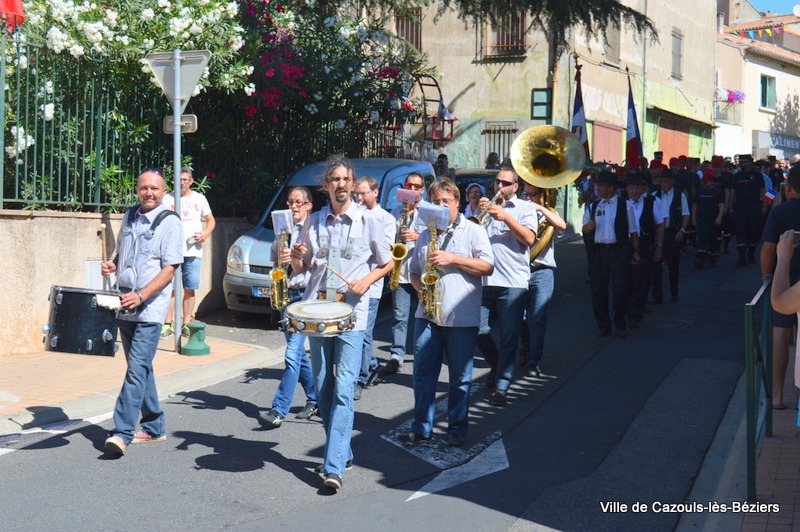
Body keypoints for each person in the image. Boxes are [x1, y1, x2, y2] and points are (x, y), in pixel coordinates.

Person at [290, 155, 392, 490]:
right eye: (334, 179)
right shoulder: (315, 220)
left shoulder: (368, 221)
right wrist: (296, 257)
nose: (341, 184)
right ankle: (342, 450)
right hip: (318, 314)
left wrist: (367, 281)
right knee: (324, 387)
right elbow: (302, 269)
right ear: (326, 186)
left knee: (345, 389)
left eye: (346, 179)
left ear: (352, 184)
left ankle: (333, 467)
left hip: (353, 315)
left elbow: (386, 262)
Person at [401, 178, 494, 447]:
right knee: (423, 373)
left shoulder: (473, 230)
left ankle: (457, 428)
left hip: (461, 314)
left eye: (446, 201)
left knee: (460, 377)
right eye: (437, 201)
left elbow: (487, 266)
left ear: (457, 203)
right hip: (428, 313)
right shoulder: (428, 232)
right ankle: (421, 428)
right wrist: (419, 289)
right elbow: (414, 272)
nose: (441, 206)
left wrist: (453, 259)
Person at [100, 168, 183, 456]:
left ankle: (122, 432)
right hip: (125, 304)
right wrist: (113, 264)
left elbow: (170, 268)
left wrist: (142, 295)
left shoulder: (170, 222)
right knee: (141, 368)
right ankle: (154, 426)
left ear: (163, 193)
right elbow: (123, 254)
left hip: (149, 309)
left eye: (155, 189)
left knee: (136, 369)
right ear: (137, 189)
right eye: (144, 188)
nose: (149, 193)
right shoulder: (129, 216)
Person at [258, 187, 319, 427]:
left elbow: (319, 263)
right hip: (286, 293)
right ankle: (315, 399)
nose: (294, 206)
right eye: (291, 202)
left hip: (305, 296)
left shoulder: (313, 230)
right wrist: (280, 261)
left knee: (292, 354)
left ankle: (278, 410)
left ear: (308, 206)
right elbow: (274, 262)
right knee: (299, 358)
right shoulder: (281, 229)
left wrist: (300, 258)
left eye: (299, 202)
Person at [476, 168, 537, 406]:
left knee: (510, 335)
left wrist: (507, 218)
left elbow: (529, 239)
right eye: (496, 182)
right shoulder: (484, 208)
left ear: (515, 187)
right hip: (485, 280)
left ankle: (502, 384)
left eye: (505, 183)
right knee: (478, 330)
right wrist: (479, 213)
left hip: (512, 282)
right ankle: (497, 364)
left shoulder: (525, 208)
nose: (499, 186)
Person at [582, 171, 640, 338]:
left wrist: (635, 251)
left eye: (602, 186)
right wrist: (588, 228)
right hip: (599, 251)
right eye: (598, 186)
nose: (599, 189)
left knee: (620, 288)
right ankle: (603, 325)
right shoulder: (594, 206)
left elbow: (633, 231)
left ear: (612, 188)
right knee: (598, 290)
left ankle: (620, 321)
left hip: (619, 250)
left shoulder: (625, 205)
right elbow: (584, 228)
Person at [760, 166, 800, 409]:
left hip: (785, 284)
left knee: (781, 337)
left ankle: (776, 395)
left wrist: (766, 278)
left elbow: (767, 250)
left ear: (788, 187)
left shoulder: (781, 211)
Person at [353, 176, 396, 400]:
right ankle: (371, 364)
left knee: (364, 333)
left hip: (371, 284)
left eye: (363, 193)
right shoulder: (352, 215)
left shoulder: (386, 219)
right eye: (356, 194)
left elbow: (385, 251)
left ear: (375, 192)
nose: (359, 198)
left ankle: (361, 378)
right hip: (350, 284)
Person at [161, 166, 216, 338]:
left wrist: (205, 233)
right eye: (179, 179)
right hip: (171, 252)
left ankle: (185, 324)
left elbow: (211, 220)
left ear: (191, 181)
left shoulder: (199, 199)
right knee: (170, 288)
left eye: (185, 179)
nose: (182, 182)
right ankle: (167, 324)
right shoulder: (166, 199)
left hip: (192, 251)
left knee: (189, 289)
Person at [519, 183, 566, 375]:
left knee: (537, 317)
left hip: (543, 271)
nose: (528, 198)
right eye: (526, 194)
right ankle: (526, 348)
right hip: (519, 272)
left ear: (541, 196)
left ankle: (534, 360)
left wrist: (540, 209)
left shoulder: (547, 213)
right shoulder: (518, 213)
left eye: (533, 195)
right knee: (520, 318)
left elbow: (562, 225)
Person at [383, 172, 428, 375]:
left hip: (421, 272)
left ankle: (423, 354)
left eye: (416, 187)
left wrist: (418, 236)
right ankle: (396, 356)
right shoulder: (395, 211)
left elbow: (438, 238)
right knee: (400, 317)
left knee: (424, 316)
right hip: (401, 273)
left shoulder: (428, 211)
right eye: (409, 186)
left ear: (423, 190)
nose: (412, 190)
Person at [624, 172, 664, 329]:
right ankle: (626, 309)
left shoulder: (652, 202)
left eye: (637, 188)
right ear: (626, 189)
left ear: (643, 189)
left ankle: (635, 314)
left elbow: (660, 224)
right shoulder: (621, 204)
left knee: (641, 281)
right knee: (625, 280)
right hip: (625, 247)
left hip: (645, 246)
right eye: (631, 187)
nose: (634, 191)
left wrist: (659, 247)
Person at [651, 169, 689, 303]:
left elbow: (685, 214)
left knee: (673, 263)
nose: (663, 184)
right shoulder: (654, 196)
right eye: (661, 181)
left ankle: (674, 291)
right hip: (658, 233)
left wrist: (682, 230)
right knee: (656, 264)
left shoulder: (680, 195)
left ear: (672, 182)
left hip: (673, 233)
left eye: (666, 181)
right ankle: (657, 295)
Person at [731, 154, 766, 266]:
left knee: (753, 231)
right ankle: (741, 256)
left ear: (750, 162)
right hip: (740, 207)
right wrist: (732, 206)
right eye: (740, 162)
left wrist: (765, 206)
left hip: (754, 206)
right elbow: (733, 192)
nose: (741, 164)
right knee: (740, 231)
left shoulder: (758, 175)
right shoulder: (737, 176)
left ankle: (751, 253)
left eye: (743, 162)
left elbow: (765, 191)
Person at [693, 169, 724, 269]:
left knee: (712, 239)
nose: (704, 184)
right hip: (702, 219)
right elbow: (695, 205)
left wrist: (719, 217)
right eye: (703, 182)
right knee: (702, 237)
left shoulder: (717, 192)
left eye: (705, 182)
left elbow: (721, 205)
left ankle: (712, 258)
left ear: (711, 181)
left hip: (713, 219)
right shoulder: (699, 192)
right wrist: (693, 218)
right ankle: (700, 258)